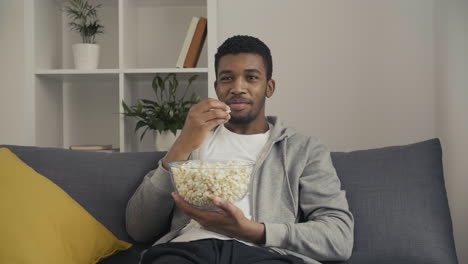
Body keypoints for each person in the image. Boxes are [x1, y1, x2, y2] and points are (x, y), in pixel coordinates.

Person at [126, 35, 354, 264]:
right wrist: (183, 143)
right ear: (216, 87)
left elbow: (339, 238)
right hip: (188, 250)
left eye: (251, 77)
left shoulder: (303, 150)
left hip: (264, 254)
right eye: (227, 78)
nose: (237, 88)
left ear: (269, 87)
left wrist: (254, 231)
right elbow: (139, 228)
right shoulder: (193, 140)